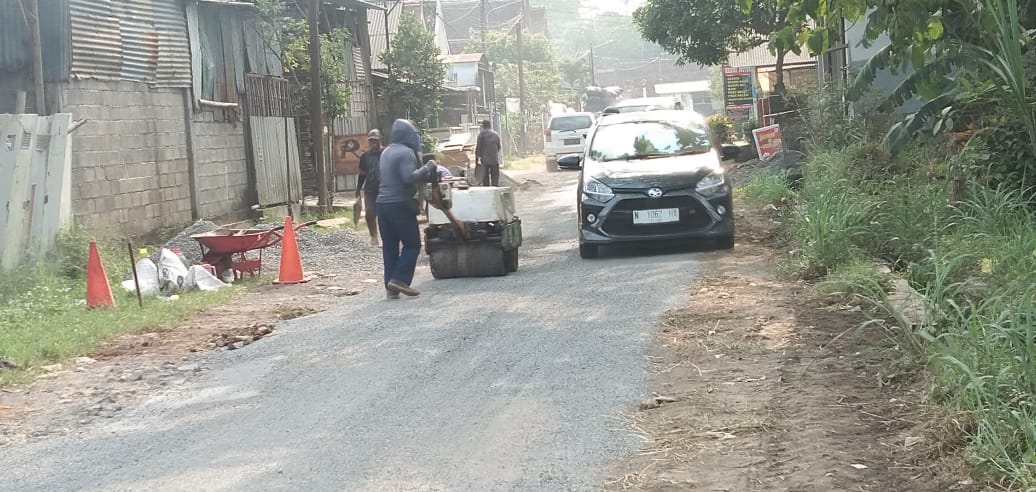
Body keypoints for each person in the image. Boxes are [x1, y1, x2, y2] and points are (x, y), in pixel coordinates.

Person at [377, 119, 439, 299]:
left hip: (383, 205)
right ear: (408, 135)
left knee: (389, 247)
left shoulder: (386, 151)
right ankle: (400, 279)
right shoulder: (405, 153)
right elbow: (408, 178)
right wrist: (428, 168)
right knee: (412, 244)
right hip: (399, 204)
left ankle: (391, 286)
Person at [356, 129, 383, 247]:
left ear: (380, 140)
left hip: (384, 189)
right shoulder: (365, 156)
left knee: (384, 215)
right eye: (371, 141)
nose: (373, 143)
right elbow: (362, 174)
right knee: (370, 214)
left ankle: (385, 237)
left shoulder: (386, 153)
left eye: (375, 140)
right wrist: (358, 189)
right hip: (370, 189)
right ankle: (374, 236)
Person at [474, 119, 502, 187]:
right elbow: (499, 147)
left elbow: (478, 148)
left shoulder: (481, 135)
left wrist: (477, 160)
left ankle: (488, 191)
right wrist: (494, 154)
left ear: (483, 126)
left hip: (485, 161)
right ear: (490, 125)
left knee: (485, 178)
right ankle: (495, 189)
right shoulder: (496, 134)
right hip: (494, 160)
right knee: (495, 177)